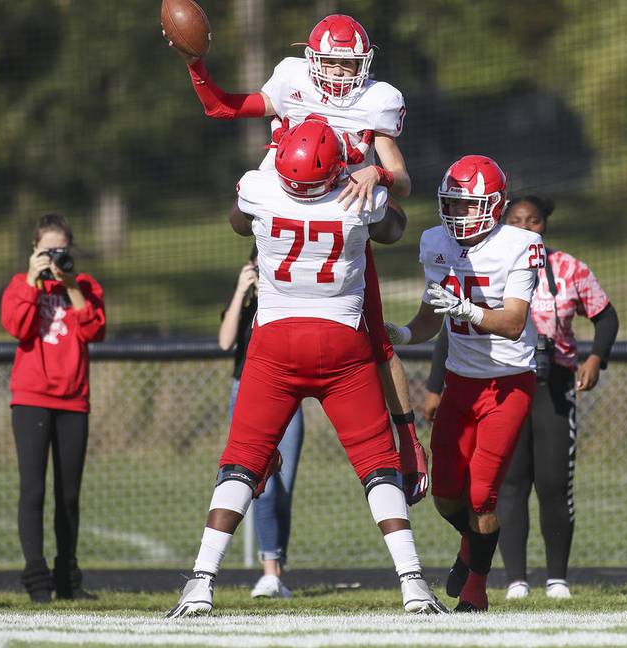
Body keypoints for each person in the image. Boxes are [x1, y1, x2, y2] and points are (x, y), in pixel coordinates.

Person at [166, 118, 444, 618]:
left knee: (242, 460)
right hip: (342, 342)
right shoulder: (359, 200)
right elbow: (393, 228)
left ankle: (202, 581)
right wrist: (373, 176)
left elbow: (237, 219)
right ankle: (413, 584)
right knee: (376, 461)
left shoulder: (259, 189)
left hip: (275, 342)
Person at [165, 15, 429, 507]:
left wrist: (377, 173)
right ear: (312, 60)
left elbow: (403, 178)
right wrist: (195, 64)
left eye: (350, 65)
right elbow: (222, 108)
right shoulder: (290, 78)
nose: (340, 74)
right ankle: (261, 450)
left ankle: (408, 440)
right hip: (283, 214)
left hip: (340, 223)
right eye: (331, 62)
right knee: (272, 335)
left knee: (374, 331)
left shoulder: (378, 99)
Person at [385, 155, 544, 612]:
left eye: (469, 205)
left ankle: (476, 588)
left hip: (509, 383)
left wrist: (468, 311)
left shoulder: (519, 244)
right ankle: (472, 548)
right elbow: (429, 318)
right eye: (452, 205)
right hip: (460, 382)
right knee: (445, 495)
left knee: (481, 495)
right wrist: (402, 333)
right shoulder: (436, 242)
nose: (459, 215)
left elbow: (514, 323)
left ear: (495, 206)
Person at [495, 195, 618, 600]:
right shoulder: (489, 264)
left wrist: (595, 359)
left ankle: (557, 580)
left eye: (533, 221)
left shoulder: (569, 269)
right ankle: (515, 581)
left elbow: (606, 316)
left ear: (544, 224)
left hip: (556, 385)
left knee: (553, 483)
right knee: (511, 484)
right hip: (507, 382)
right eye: (516, 221)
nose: (525, 228)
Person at [1, 213, 106, 603]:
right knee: (32, 490)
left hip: (73, 399)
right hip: (31, 399)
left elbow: (95, 330)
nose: (54, 258)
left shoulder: (86, 286)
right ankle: (37, 578)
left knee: (68, 494)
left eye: (61, 251)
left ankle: (68, 578)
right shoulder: (18, 285)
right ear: (33, 250)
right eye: (47, 251)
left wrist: (70, 286)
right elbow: (17, 326)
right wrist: (32, 280)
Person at [218, 246, 304, 599]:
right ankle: (268, 571)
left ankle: (276, 570)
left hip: (289, 397)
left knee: (283, 488)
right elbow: (225, 342)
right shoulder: (248, 303)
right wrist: (241, 291)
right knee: (261, 486)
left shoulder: (289, 303)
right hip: (248, 394)